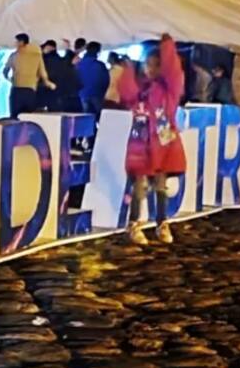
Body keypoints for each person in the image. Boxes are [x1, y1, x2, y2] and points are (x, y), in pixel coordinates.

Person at [118, 34, 187, 245]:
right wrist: (127, 70)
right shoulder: (141, 90)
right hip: (142, 146)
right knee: (139, 187)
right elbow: (127, 95)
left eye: (155, 65)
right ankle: (134, 224)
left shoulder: (169, 91)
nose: (150, 69)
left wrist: (167, 46)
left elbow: (174, 72)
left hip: (163, 145)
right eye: (147, 65)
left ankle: (161, 223)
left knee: (160, 185)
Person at [3, 33, 55, 117]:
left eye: (16, 42)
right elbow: (42, 72)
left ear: (21, 42)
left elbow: (5, 71)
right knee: (28, 117)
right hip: (30, 90)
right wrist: (48, 83)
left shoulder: (14, 56)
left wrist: (10, 79)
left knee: (15, 117)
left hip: (17, 89)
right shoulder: (37, 55)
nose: (15, 44)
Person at [76, 41, 109, 118]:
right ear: (97, 51)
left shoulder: (79, 64)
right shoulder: (100, 65)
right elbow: (105, 81)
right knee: (99, 118)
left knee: (86, 119)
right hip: (97, 96)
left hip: (82, 95)